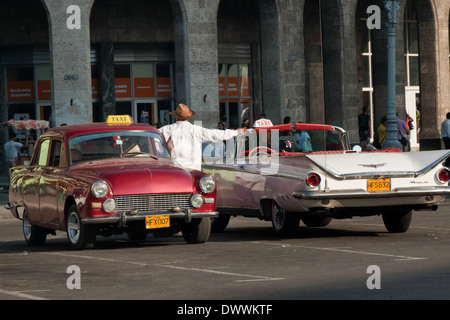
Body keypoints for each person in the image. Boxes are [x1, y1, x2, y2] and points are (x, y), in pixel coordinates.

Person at [159, 103, 246, 171]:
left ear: (176, 117)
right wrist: (236, 132)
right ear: (188, 117)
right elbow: (216, 134)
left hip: (174, 171)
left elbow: (153, 141)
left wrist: (165, 152)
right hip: (193, 171)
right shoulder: (196, 130)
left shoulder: (165, 130)